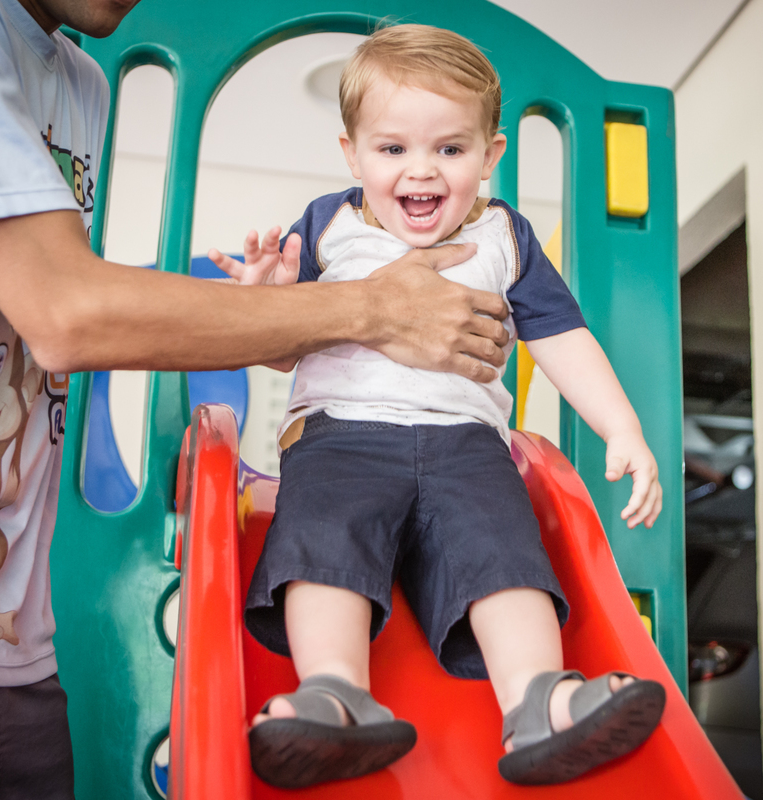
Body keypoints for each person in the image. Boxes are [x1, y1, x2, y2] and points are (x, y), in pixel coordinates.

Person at [0, 1, 511, 797]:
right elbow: (65, 313)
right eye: (392, 147)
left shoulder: (80, 81)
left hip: (4, 623)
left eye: (449, 148)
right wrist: (370, 309)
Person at [213, 24, 666, 789]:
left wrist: (622, 427)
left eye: (450, 149)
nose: (421, 170)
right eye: (392, 148)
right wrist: (265, 300)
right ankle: (335, 692)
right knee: (324, 534)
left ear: (490, 156)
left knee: (503, 552)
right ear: (352, 154)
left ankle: (538, 700)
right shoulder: (327, 226)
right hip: (341, 438)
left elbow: (560, 335)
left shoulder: (505, 236)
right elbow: (283, 348)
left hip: (468, 446)